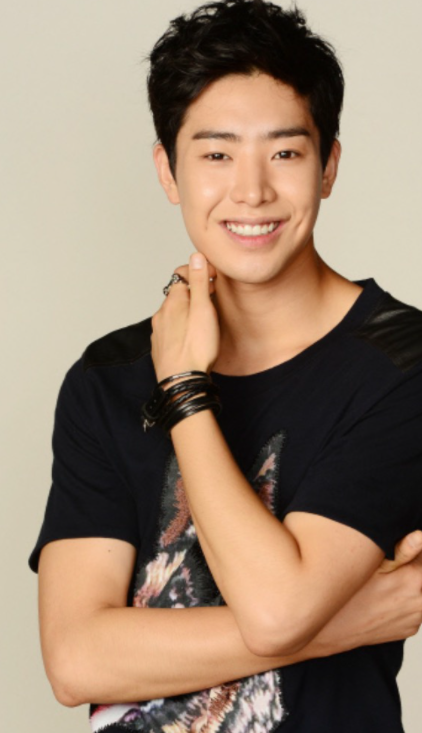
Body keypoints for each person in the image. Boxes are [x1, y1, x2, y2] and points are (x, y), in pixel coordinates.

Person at [29, 1, 422, 731]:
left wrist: (184, 389)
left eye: (285, 153)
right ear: (168, 171)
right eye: (216, 155)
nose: (252, 191)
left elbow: (278, 611)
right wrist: (349, 620)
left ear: (329, 166)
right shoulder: (106, 377)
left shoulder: (402, 360)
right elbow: (75, 659)